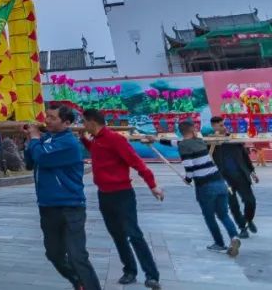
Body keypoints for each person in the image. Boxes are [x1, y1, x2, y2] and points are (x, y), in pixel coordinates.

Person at [80, 108, 162, 289]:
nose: (83, 125)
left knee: (133, 234)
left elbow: (136, 161)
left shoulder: (115, 139)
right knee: (117, 235)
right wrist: (83, 139)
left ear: (92, 122)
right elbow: (97, 151)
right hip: (104, 195)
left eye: (84, 122)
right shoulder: (98, 140)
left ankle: (152, 275)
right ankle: (130, 270)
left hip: (122, 194)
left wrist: (152, 185)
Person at [24, 104, 102, 290]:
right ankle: (78, 282)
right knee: (54, 254)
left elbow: (42, 158)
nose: (47, 121)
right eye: (47, 117)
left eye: (52, 118)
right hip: (47, 206)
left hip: (70, 206)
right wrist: (30, 140)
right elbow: (30, 163)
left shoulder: (69, 143)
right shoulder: (46, 140)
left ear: (66, 123)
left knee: (77, 256)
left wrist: (35, 138)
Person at [154, 120, 241, 256]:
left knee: (209, 216)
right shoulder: (199, 141)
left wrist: (187, 179)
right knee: (223, 214)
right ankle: (234, 237)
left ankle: (219, 243)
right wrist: (156, 140)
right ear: (192, 130)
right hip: (219, 182)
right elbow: (175, 143)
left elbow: (189, 166)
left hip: (205, 186)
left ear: (180, 132)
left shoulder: (184, 146)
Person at [210, 116, 258, 237]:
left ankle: (248, 220)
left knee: (250, 201)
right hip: (224, 179)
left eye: (223, 125)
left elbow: (245, 156)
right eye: (220, 125)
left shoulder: (234, 139)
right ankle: (242, 228)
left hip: (241, 176)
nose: (223, 127)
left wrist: (252, 171)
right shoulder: (210, 142)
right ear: (214, 126)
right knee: (233, 205)